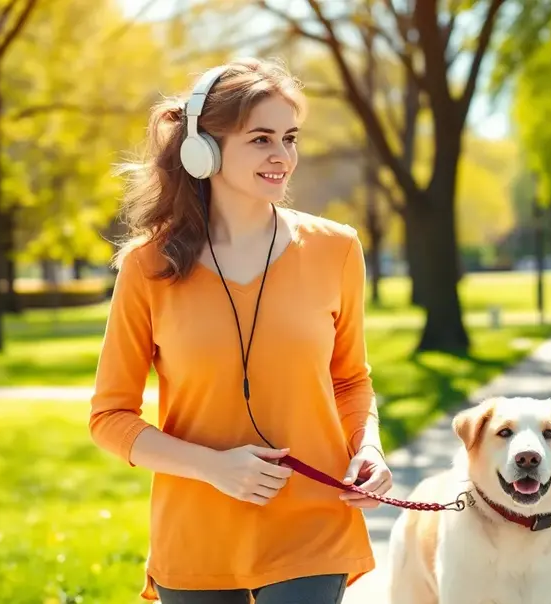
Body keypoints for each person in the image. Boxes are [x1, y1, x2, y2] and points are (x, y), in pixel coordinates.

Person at [88, 57, 392, 604]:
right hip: (196, 533)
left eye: (290, 137)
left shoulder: (337, 249)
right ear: (203, 150)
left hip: (313, 519)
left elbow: (349, 380)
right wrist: (214, 468)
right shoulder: (147, 266)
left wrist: (367, 446)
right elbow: (110, 418)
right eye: (261, 139)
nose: (283, 156)